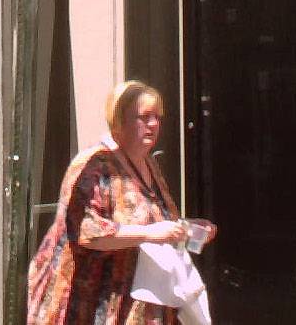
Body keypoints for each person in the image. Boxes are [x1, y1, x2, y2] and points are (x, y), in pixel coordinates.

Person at [28, 80, 215, 325]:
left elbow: (158, 222)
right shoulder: (93, 165)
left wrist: (188, 231)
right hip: (94, 301)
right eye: (144, 117)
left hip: (141, 302)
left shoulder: (148, 164)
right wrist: (151, 233)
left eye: (157, 117)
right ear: (119, 119)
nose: (153, 125)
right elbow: (87, 232)